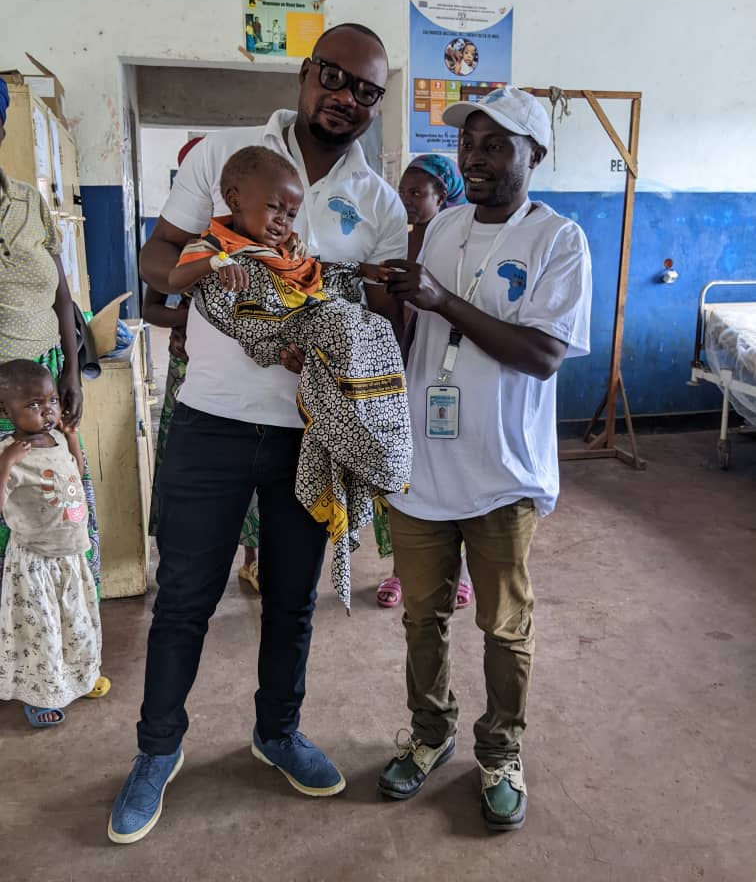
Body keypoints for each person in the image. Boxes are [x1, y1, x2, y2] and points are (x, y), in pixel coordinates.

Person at [108, 23, 407, 844]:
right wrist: (213, 279)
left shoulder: (379, 202)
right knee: (185, 598)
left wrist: (334, 323)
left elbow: (380, 311)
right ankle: (157, 750)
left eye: (367, 92)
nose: (346, 99)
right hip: (210, 420)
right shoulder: (223, 155)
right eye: (334, 78)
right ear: (307, 73)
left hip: (310, 433)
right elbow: (156, 257)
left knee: (292, 601)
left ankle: (277, 732)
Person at [377, 86, 592, 832]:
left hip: (503, 472)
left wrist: (442, 301)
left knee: (504, 627)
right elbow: (415, 335)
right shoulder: (441, 226)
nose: (476, 158)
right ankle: (430, 733)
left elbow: (542, 355)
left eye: (496, 145)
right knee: (422, 618)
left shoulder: (559, 240)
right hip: (421, 468)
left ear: (536, 155)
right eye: (469, 143)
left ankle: (500, 751)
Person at [168, 144, 411, 610]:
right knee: (187, 596)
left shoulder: (288, 253)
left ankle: (378, 453)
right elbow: (191, 288)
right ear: (234, 199)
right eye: (275, 208)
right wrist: (217, 266)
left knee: (367, 333)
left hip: (298, 389)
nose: (283, 221)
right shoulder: (214, 248)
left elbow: (316, 275)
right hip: (225, 406)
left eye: (291, 213)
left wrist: (361, 270)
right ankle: (374, 453)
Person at [0, 79, 109, 724]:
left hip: (39, 383)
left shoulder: (27, 202)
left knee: (62, 522)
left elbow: (62, 290)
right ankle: (25, 672)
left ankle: (68, 661)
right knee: (10, 542)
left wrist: (71, 366)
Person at [143, 136, 262, 590]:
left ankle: (254, 559)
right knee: (193, 474)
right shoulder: (184, 245)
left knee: (255, 472)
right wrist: (193, 319)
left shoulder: (257, 239)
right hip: (190, 370)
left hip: (250, 373)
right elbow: (152, 308)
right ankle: (187, 560)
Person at [376, 153, 473, 610]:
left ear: (444, 195)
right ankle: (403, 570)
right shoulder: (398, 239)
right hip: (403, 370)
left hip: (451, 373)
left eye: (417, 193)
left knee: (456, 472)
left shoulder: (462, 245)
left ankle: (462, 572)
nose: (406, 201)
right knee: (404, 475)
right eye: (402, 192)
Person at [0, 360, 102, 726]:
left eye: (52, 401)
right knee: (42, 633)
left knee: (75, 623)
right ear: (5, 411)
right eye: (34, 405)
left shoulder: (58, 439)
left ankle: (78, 677)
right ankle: (40, 697)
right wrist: (6, 462)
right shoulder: (11, 453)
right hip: (34, 562)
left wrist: (72, 439)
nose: (48, 412)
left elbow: (76, 474)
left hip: (70, 556)